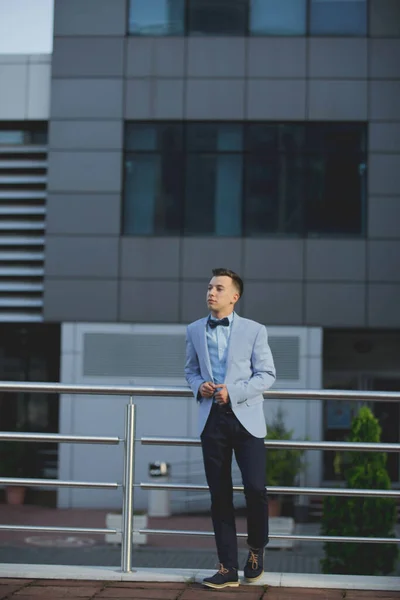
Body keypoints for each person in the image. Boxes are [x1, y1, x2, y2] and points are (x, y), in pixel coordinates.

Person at [185, 268, 276, 589]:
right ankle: (227, 567)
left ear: (234, 296)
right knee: (219, 495)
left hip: (247, 418)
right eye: (209, 287)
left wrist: (233, 392)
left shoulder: (255, 330)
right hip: (212, 420)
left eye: (219, 288)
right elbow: (190, 370)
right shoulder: (194, 329)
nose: (211, 292)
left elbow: (267, 374)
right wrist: (201, 387)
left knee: (255, 489)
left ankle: (256, 549)